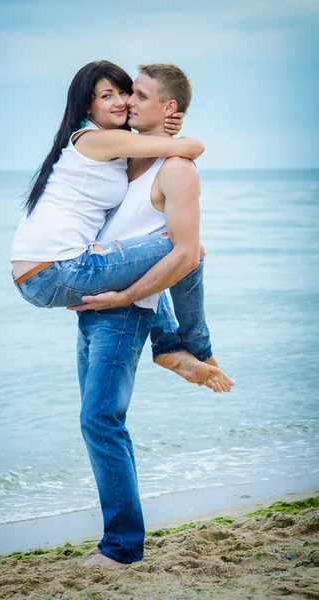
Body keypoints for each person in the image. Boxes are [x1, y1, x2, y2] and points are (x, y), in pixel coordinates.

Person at [73, 64, 233, 569]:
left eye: (138, 95)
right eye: (123, 94)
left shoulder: (176, 169)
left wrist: (125, 301)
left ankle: (121, 549)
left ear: (168, 109)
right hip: (98, 306)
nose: (126, 102)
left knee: (101, 421)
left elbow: (186, 255)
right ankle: (174, 345)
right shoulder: (128, 158)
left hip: (124, 311)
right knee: (98, 420)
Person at [11, 60, 231, 391]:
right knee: (186, 249)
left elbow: (165, 150)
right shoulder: (100, 142)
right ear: (88, 104)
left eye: (129, 93)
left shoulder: (118, 154)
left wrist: (165, 120)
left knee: (161, 249)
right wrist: (170, 123)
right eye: (108, 95)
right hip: (64, 271)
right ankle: (188, 346)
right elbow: (191, 146)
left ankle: (174, 345)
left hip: (53, 274)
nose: (123, 102)